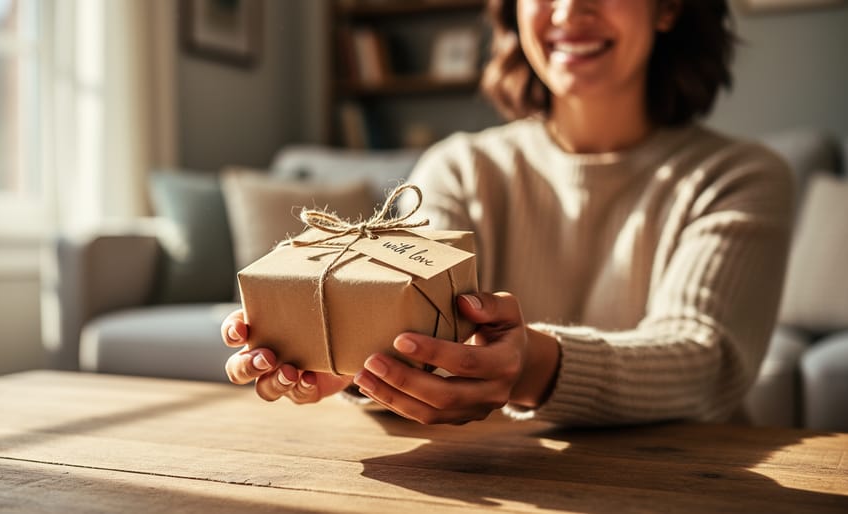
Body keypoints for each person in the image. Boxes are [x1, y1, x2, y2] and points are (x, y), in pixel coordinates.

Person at [221, 0, 794, 426]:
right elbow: (403, 313)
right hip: (491, 480)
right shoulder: (460, 166)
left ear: (668, 7)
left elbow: (706, 360)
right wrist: (348, 356)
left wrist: (533, 366)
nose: (569, 11)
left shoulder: (741, 177)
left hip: (683, 485)